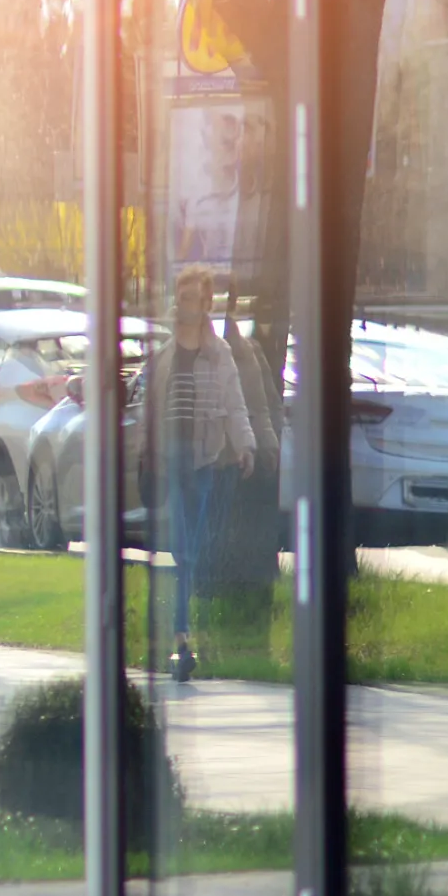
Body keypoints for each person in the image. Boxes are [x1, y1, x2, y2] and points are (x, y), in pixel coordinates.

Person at [140, 266, 255, 681]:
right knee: (183, 546)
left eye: (195, 298)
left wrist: (245, 445)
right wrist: (145, 455)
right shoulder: (166, 353)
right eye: (181, 296)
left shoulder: (219, 353)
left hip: (204, 460)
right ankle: (181, 638)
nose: (187, 305)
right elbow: (149, 412)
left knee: (190, 549)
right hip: (173, 460)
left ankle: (183, 632)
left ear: (207, 304)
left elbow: (235, 403)